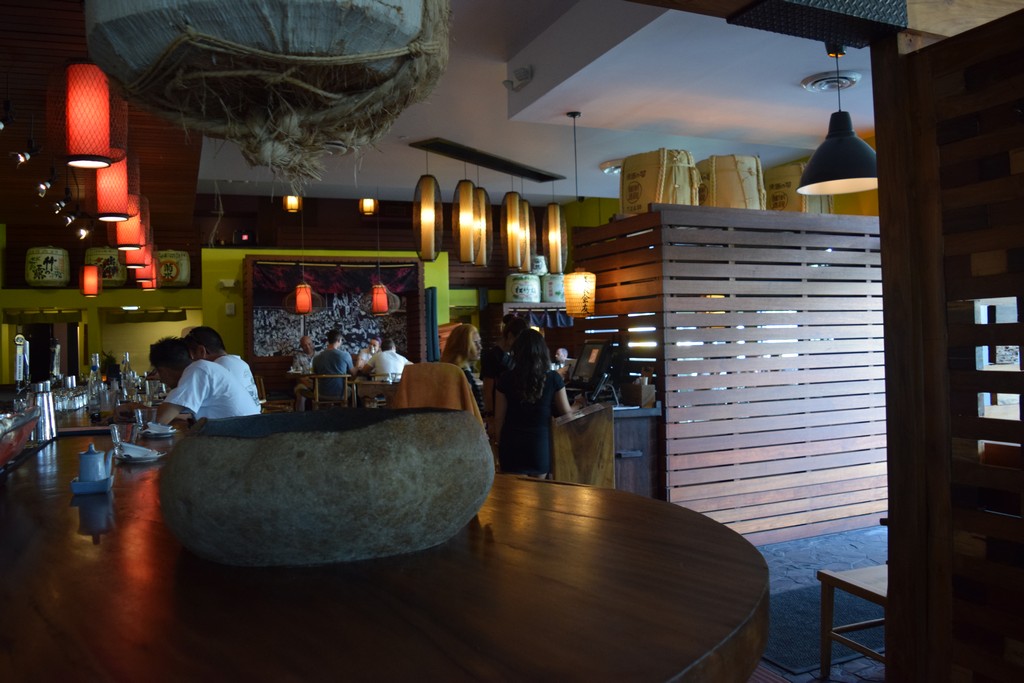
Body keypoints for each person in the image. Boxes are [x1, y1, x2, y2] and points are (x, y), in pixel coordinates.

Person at [493, 329, 572, 477]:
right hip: (539, 444)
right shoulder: (553, 378)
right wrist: (578, 404)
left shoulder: (505, 378)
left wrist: (499, 444)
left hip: (511, 444)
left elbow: (499, 418)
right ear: (543, 351)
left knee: (513, 491)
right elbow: (567, 415)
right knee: (538, 490)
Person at [149, 336, 261, 423]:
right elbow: (177, 411)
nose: (161, 380)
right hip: (246, 435)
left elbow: (161, 420)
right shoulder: (204, 368)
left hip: (241, 441)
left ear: (162, 370)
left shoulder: (198, 369)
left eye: (158, 374)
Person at [183, 326, 261, 411]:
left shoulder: (216, 368)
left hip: (236, 419)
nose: (191, 362)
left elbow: (188, 407)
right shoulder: (240, 363)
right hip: (255, 417)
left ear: (202, 351)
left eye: (191, 357)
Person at [480, 315, 528, 420]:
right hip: (498, 410)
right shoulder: (492, 356)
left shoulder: (514, 355)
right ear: (510, 336)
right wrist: (490, 415)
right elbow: (487, 390)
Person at [440, 323, 484, 414]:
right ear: (463, 345)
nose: (480, 347)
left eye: (479, 342)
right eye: (475, 343)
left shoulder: (451, 371)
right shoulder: (462, 375)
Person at [309, 328, 354, 405]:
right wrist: (359, 365)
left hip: (320, 394)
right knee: (353, 389)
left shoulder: (316, 358)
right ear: (339, 340)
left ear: (328, 340)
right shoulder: (345, 355)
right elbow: (353, 373)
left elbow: (314, 375)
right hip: (341, 394)